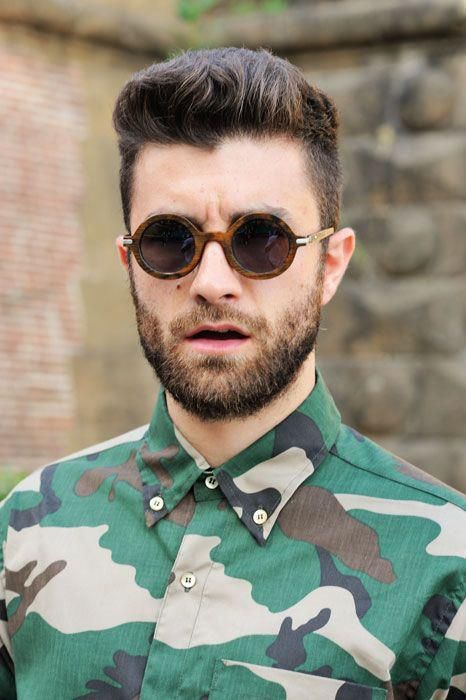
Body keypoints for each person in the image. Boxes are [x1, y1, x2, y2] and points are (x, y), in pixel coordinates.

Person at [0, 47, 464, 700]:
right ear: (130, 263)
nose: (212, 283)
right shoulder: (26, 530)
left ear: (331, 265)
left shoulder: (448, 574)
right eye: (170, 241)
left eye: (261, 239)